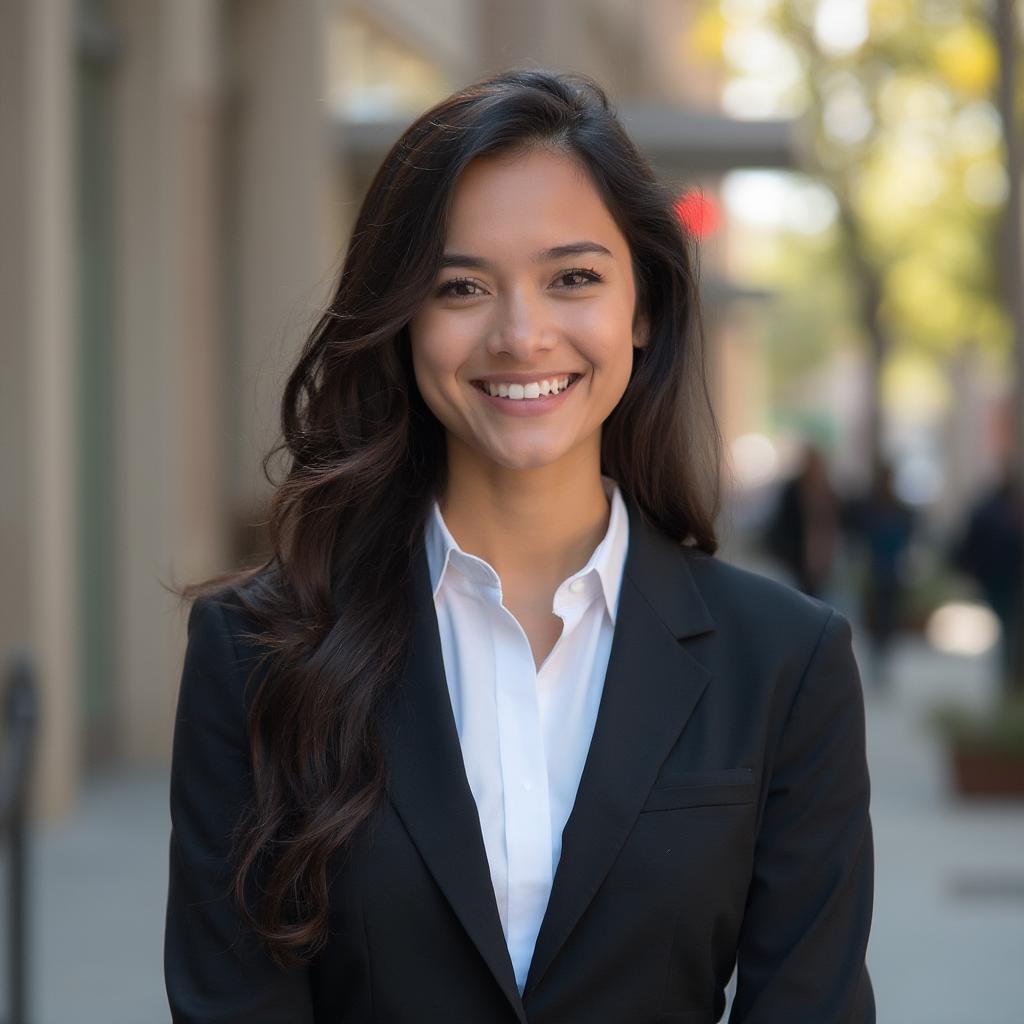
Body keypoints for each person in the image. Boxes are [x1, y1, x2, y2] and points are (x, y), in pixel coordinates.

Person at [164, 68, 875, 1023]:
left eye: (573, 277)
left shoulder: (788, 663)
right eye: (460, 286)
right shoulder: (255, 655)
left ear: (646, 307)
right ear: (405, 321)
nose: (521, 333)